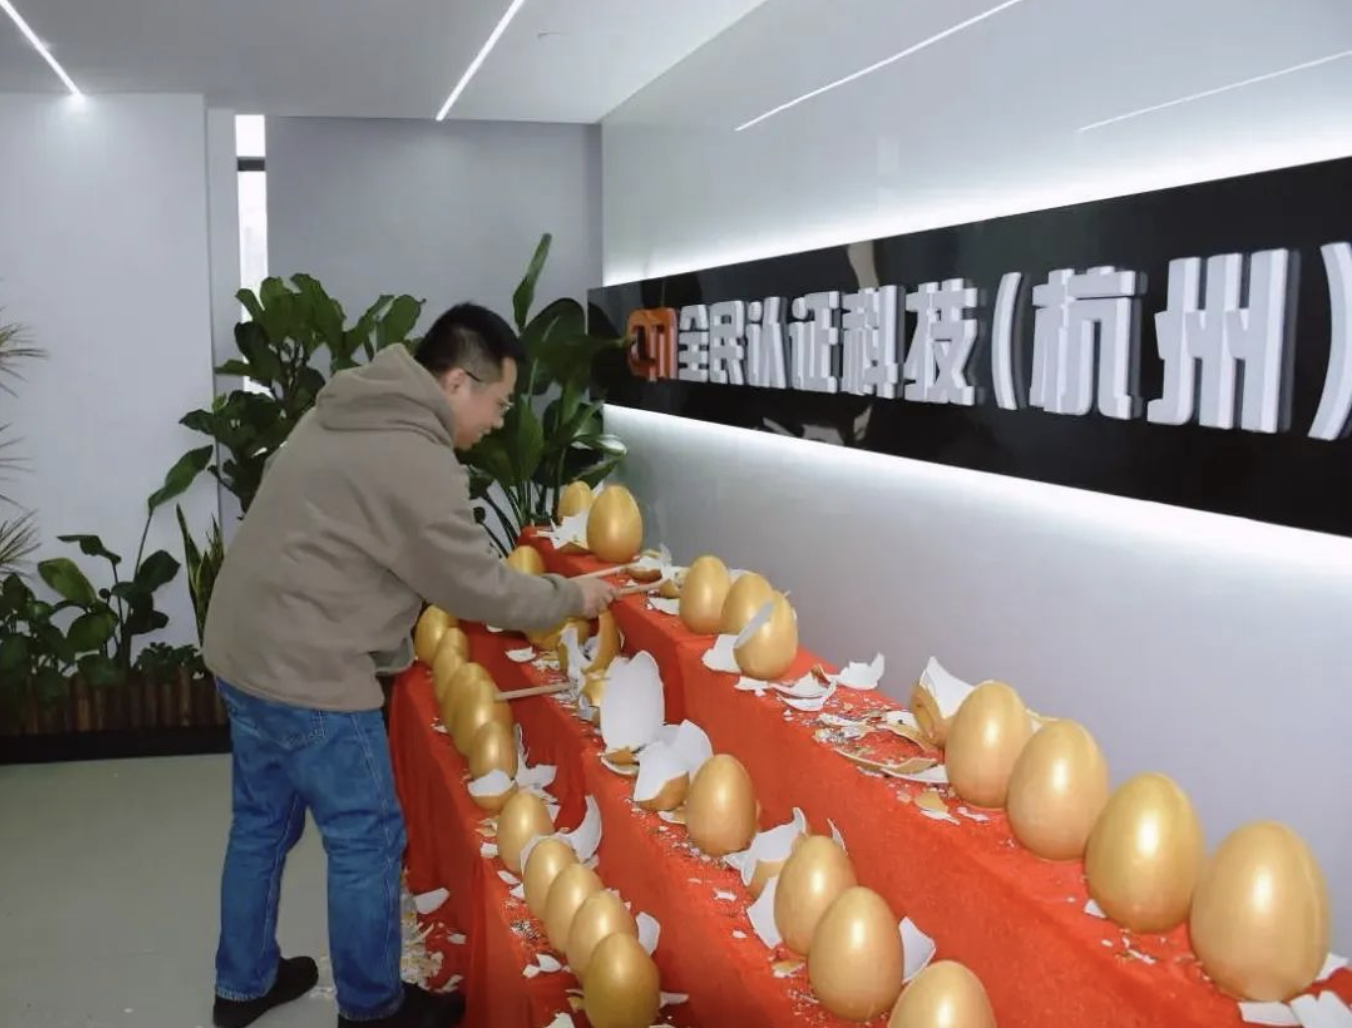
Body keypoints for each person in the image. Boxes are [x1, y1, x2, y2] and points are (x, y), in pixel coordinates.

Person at [203, 303, 617, 1028]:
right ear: (456, 383)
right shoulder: (415, 458)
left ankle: (242, 985)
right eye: (499, 402)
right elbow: (473, 587)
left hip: (244, 648)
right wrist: (570, 596)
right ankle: (371, 1011)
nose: (499, 421)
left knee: (261, 823)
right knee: (366, 838)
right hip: (311, 670)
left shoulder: (350, 405)